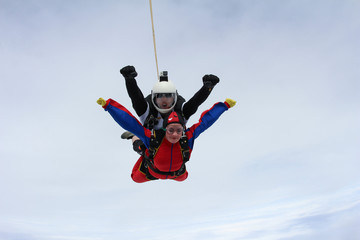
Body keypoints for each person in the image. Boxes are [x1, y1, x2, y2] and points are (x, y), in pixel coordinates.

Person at [97, 97, 236, 183]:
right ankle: (134, 138)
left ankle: (139, 141)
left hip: (177, 174)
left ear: (183, 130)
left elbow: (206, 122)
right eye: (170, 130)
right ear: (164, 130)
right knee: (136, 174)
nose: (175, 135)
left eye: (178, 130)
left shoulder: (187, 138)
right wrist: (109, 106)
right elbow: (129, 122)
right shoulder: (153, 138)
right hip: (151, 171)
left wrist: (224, 107)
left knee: (184, 177)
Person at [119, 65, 220, 154]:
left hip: (173, 141)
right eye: (160, 97)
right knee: (139, 146)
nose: (164, 101)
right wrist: (129, 80)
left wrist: (207, 88)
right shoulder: (147, 110)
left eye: (168, 96)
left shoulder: (180, 110)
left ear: (175, 98)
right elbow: (136, 97)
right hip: (150, 140)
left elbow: (195, 102)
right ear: (154, 98)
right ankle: (133, 136)